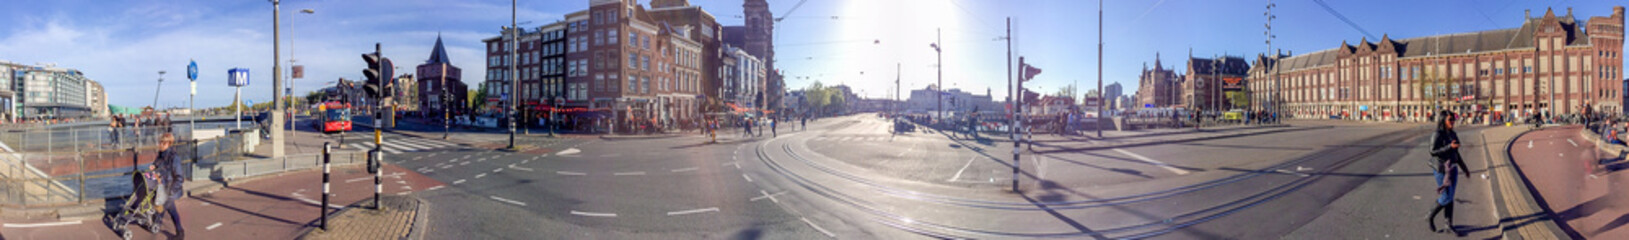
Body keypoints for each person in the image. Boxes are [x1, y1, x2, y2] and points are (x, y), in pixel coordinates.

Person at [1427, 111, 1469, 234]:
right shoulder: (1437, 134)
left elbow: (1457, 153)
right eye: (1450, 119)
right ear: (1443, 120)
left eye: (1453, 119)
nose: (1453, 122)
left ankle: (1448, 225)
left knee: (1450, 197)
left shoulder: (1453, 134)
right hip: (1441, 168)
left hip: (1453, 168)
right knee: (1446, 196)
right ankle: (1430, 215)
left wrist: (1464, 168)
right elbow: (1432, 151)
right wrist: (1449, 147)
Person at [152, 132, 187, 238]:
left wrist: (171, 191)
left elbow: (180, 177)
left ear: (168, 143)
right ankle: (179, 231)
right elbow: (158, 162)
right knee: (171, 210)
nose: (160, 144)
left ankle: (157, 223)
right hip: (163, 187)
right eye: (160, 142)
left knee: (164, 207)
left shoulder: (174, 158)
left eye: (162, 142)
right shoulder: (162, 154)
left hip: (170, 189)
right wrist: (154, 166)